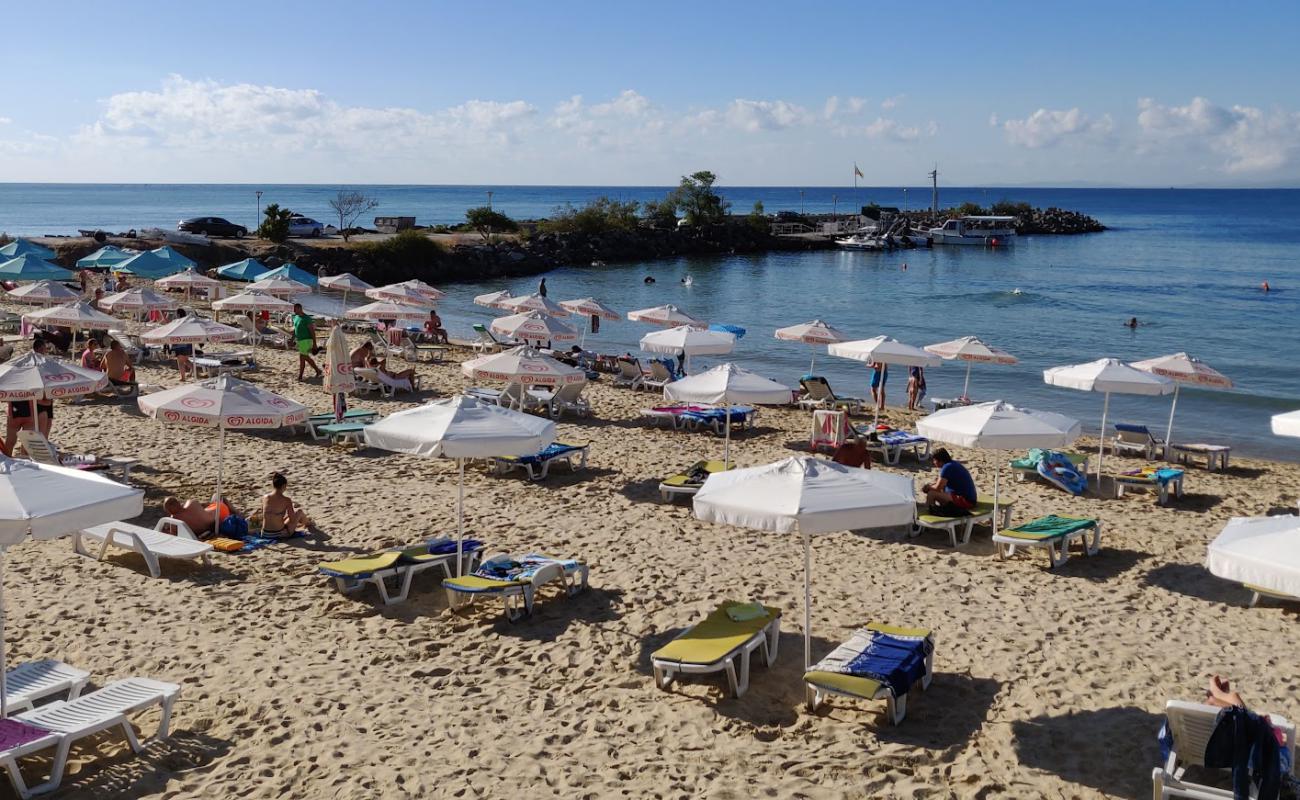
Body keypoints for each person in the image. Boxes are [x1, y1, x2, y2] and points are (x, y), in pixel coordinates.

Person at [923, 448, 977, 515]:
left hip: (966, 501)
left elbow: (937, 488)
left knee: (931, 494)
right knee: (939, 491)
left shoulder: (947, 467)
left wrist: (927, 488)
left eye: (934, 460)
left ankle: (929, 515)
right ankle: (934, 511)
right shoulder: (952, 464)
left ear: (940, 460)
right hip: (967, 498)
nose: (934, 462)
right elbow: (940, 485)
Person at [260, 472, 312, 538]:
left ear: (273, 485)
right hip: (280, 533)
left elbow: (266, 515)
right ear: (284, 486)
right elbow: (292, 520)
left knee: (284, 516)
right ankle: (308, 524)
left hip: (265, 533)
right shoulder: (286, 500)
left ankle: (306, 522)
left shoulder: (264, 497)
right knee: (299, 512)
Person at [291, 303, 322, 381]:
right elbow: (295, 329)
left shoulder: (307, 318)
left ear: (300, 309)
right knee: (304, 358)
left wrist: (314, 344)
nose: (294, 311)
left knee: (303, 357)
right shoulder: (295, 317)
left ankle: (300, 376)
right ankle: (317, 371)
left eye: (295, 309)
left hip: (307, 340)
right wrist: (292, 339)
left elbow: (312, 331)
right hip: (300, 340)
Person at [171, 308, 195, 380]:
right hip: (188, 343)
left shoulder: (176, 322)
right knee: (185, 360)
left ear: (178, 314)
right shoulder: (188, 322)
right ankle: (193, 371)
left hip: (178, 343)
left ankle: (183, 377)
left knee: (180, 362)